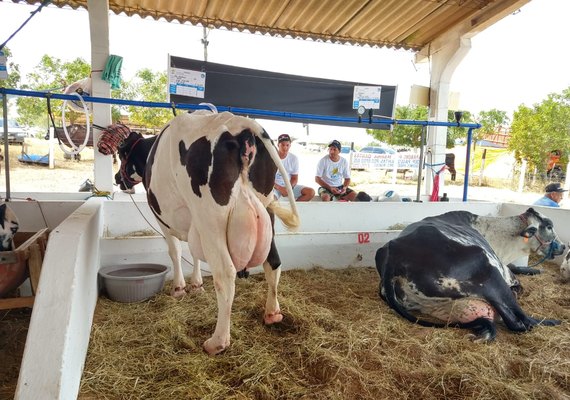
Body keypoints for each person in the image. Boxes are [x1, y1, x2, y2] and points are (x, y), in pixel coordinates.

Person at [273, 134, 315, 201]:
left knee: (310, 192)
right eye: (282, 145)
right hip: (274, 187)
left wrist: (289, 188)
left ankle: (295, 209)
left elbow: (294, 178)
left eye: (287, 145)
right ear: (278, 145)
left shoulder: (294, 158)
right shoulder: (272, 157)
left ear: (290, 145)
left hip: (288, 186)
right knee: (271, 200)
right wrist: (280, 188)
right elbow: (266, 179)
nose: (285, 148)